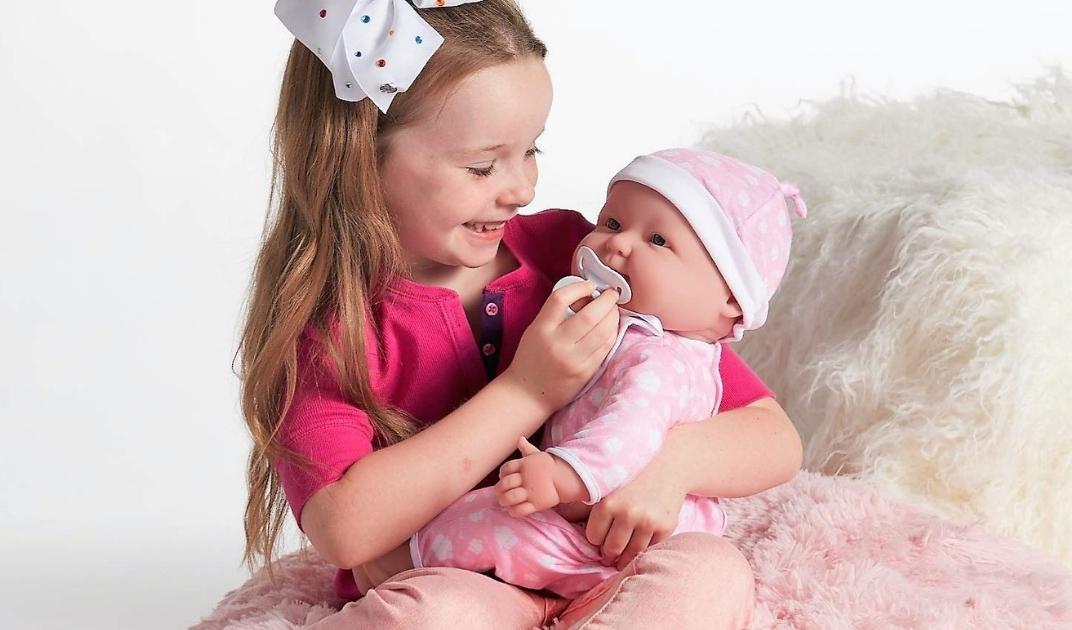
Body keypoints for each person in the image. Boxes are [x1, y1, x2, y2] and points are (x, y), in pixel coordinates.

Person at [240, 1, 803, 628]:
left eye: (530, 150)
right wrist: (531, 388)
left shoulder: (578, 253)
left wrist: (672, 466)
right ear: (359, 158)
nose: (522, 189)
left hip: (605, 572)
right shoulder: (330, 328)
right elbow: (344, 530)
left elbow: (772, 437)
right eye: (483, 165)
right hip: (462, 578)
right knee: (426, 617)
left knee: (708, 572)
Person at [403, 148, 808, 599]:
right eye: (612, 224)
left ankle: (405, 563)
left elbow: (629, 433)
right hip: (589, 512)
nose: (616, 243)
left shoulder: (662, 360)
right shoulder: (622, 328)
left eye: (658, 241)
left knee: (489, 519)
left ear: (732, 298)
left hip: (610, 527)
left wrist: (562, 475)